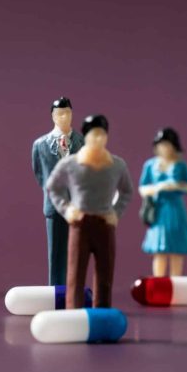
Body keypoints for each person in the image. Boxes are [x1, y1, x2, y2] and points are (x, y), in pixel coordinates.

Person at [46, 114, 133, 308]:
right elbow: (53, 187)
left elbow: (127, 191)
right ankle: (73, 312)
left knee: (105, 275)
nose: (99, 139)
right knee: (75, 274)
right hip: (80, 225)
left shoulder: (116, 164)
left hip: (105, 224)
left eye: (102, 135)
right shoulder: (71, 163)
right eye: (94, 135)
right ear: (86, 136)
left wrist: (116, 213)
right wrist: (67, 209)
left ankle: (101, 314)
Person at [32, 96, 85, 285]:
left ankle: (74, 290)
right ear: (53, 116)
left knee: (76, 250)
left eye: (68, 113)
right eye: (60, 113)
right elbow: (40, 174)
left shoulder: (82, 141)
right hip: (53, 205)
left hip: (78, 204)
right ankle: (55, 291)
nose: (64, 117)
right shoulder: (40, 145)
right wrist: (53, 192)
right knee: (55, 251)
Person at [139, 128, 187, 276]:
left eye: (168, 145)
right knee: (159, 249)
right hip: (159, 210)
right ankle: (158, 282)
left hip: (175, 209)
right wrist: (157, 188)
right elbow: (142, 188)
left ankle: (176, 282)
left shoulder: (180, 165)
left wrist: (177, 186)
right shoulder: (150, 165)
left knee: (176, 248)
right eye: (161, 145)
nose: (164, 148)